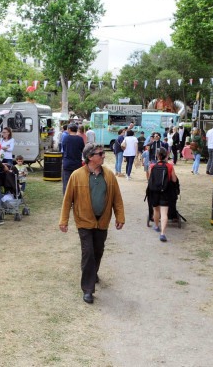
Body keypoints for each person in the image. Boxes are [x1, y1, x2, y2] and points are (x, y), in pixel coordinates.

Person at [59, 143, 125, 304]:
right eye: (100, 153)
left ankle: (92, 272)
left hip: (102, 221)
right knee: (88, 252)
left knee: (98, 250)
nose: (103, 155)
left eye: (103, 153)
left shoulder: (109, 175)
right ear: (90, 157)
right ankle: (88, 289)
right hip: (84, 221)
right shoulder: (76, 175)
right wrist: (64, 220)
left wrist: (120, 217)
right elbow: (67, 200)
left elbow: (117, 198)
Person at [148, 148, 178, 242]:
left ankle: (156, 226)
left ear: (157, 156)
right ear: (166, 156)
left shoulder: (152, 166)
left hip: (154, 191)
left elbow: (149, 179)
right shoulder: (169, 166)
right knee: (164, 213)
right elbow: (174, 180)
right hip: (165, 191)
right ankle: (163, 234)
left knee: (156, 210)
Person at [61, 123, 85, 194]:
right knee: (77, 183)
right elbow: (82, 149)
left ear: (69, 129)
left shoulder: (66, 138)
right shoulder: (80, 139)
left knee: (66, 183)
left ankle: (67, 200)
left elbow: (64, 148)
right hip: (77, 163)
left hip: (67, 163)